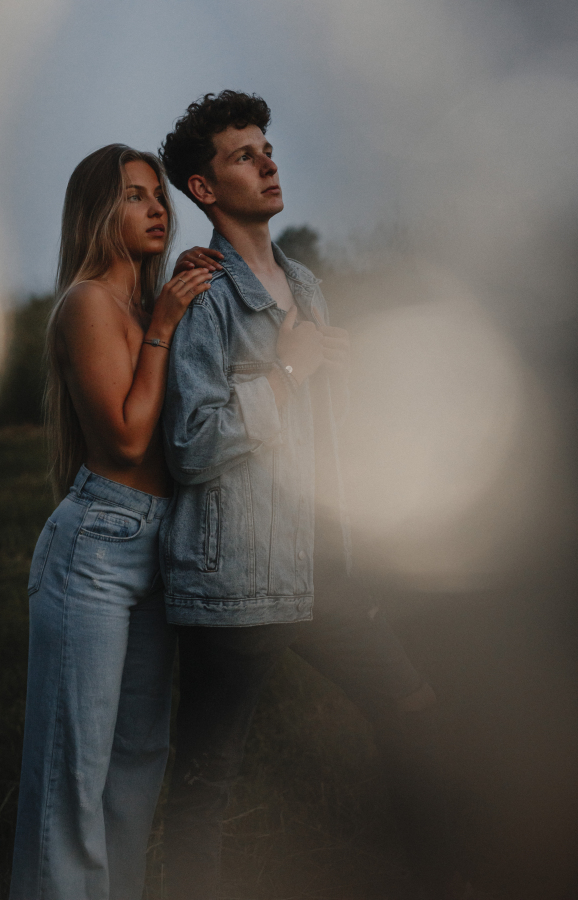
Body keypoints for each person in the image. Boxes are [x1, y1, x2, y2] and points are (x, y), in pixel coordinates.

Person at [158, 92, 477, 900]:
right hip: (237, 582)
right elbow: (191, 446)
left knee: (411, 704)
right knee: (205, 781)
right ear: (203, 187)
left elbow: (319, 438)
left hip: (321, 572)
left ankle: (443, 881)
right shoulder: (204, 296)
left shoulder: (306, 282)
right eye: (242, 154)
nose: (267, 162)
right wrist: (292, 372)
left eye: (267, 148)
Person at [9, 143, 222, 900]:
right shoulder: (87, 303)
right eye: (135, 196)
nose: (157, 207)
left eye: (158, 194)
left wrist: (189, 301)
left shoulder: (145, 303)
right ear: (99, 213)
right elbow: (130, 438)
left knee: (136, 769)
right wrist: (165, 321)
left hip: (162, 544)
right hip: (96, 548)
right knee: (75, 774)